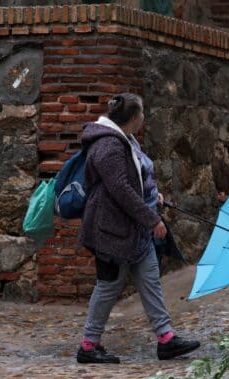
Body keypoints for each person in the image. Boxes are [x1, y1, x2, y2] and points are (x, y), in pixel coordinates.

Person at [75, 93, 200, 364]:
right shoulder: (108, 144)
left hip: (133, 230)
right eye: (142, 113)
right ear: (134, 118)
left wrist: (152, 196)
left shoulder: (126, 139)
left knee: (150, 279)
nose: (144, 118)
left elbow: (132, 181)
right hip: (112, 232)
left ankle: (166, 339)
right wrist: (152, 219)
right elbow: (119, 190)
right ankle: (88, 345)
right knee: (109, 286)